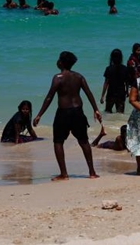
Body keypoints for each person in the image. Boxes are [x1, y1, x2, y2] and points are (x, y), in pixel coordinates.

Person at [33, 51, 102, 180]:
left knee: (58, 142)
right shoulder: (79, 77)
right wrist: (96, 109)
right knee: (84, 141)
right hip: (78, 112)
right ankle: (92, 172)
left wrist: (39, 115)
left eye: (59, 59)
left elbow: (49, 97)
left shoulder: (58, 77)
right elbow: (89, 93)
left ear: (61, 62)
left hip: (64, 113)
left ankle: (64, 174)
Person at [100, 48, 128, 113]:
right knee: (120, 113)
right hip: (121, 93)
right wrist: (127, 91)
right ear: (121, 58)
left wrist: (102, 96)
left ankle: (109, 123)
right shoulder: (125, 69)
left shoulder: (109, 69)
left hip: (111, 93)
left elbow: (106, 83)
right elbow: (127, 81)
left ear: (112, 58)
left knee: (107, 112)